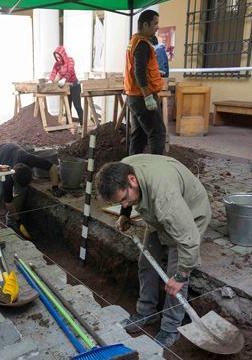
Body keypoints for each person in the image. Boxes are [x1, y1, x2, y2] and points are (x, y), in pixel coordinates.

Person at [95, 154, 211, 347]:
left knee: (174, 276)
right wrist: (125, 214)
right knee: (146, 263)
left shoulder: (165, 201)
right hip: (156, 214)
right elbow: (127, 200)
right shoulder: (123, 168)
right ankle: (146, 313)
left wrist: (181, 276)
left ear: (132, 180)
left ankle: (170, 328)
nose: (124, 205)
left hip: (190, 215)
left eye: (124, 200)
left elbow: (189, 240)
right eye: (120, 202)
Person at [0, 143, 65, 224]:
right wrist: (18, 219)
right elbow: (9, 203)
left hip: (11, 150)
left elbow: (52, 167)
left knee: (21, 192)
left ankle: (10, 220)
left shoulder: (30, 159)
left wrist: (55, 187)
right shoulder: (7, 177)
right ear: (13, 178)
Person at [124, 9, 166, 155]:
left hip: (134, 96)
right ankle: (157, 170)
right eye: (155, 23)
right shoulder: (142, 44)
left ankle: (132, 169)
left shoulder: (134, 41)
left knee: (139, 136)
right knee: (157, 133)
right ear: (145, 25)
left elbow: (141, 68)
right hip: (142, 97)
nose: (157, 27)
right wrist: (148, 96)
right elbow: (139, 72)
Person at [49, 46, 84, 122]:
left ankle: (83, 123)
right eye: (57, 57)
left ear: (63, 55)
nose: (58, 59)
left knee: (77, 105)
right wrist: (50, 81)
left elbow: (70, 71)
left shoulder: (70, 60)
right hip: (66, 87)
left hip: (75, 85)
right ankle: (69, 125)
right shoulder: (57, 64)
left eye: (59, 57)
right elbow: (53, 73)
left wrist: (64, 79)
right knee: (68, 106)